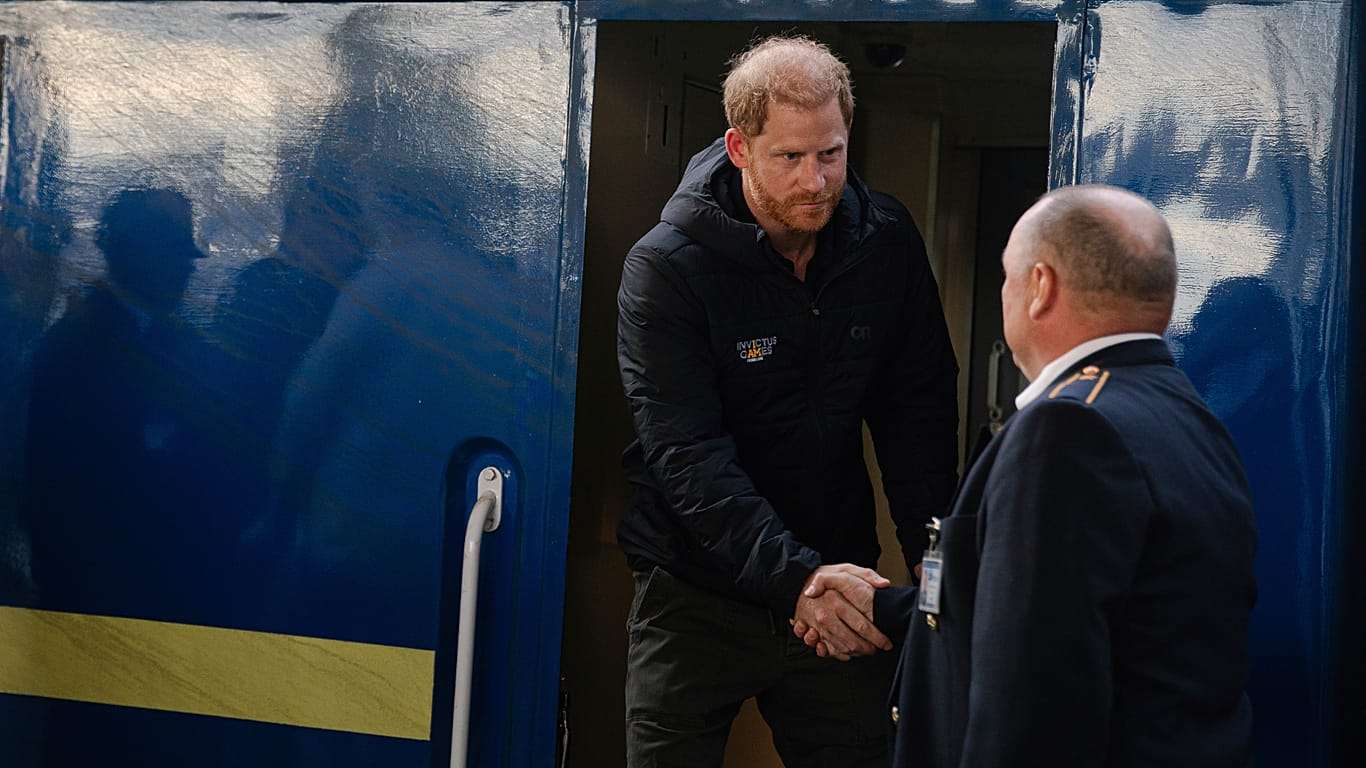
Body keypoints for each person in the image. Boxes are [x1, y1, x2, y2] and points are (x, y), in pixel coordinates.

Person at [798, 184, 1258, 767]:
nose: (1005, 292)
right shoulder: (1185, 416)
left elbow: (1033, 693)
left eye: (1007, 276)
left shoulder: (1067, 430)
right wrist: (883, 607)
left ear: (1040, 286)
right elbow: (1094, 615)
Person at [616, 35, 959, 766]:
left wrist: (934, 572)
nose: (816, 181)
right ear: (739, 148)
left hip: (839, 580)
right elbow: (687, 455)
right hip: (696, 588)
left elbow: (917, 416)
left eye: (831, 153)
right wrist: (795, 580)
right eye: (791, 157)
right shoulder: (666, 269)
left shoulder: (885, 241)